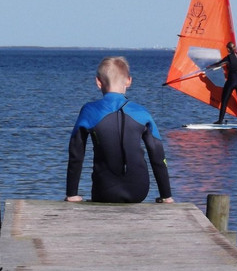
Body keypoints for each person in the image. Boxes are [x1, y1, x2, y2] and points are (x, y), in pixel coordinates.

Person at [65, 56, 173, 203]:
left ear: (98, 82)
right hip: (139, 191)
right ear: (129, 81)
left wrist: (72, 194)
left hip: (104, 191)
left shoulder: (89, 110)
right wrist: (166, 195)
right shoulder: (142, 112)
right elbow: (157, 155)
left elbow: (76, 154)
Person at [210, 41, 237, 125]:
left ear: (228, 49)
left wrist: (209, 66)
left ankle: (220, 121)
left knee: (224, 101)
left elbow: (219, 64)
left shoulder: (228, 57)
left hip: (232, 81)